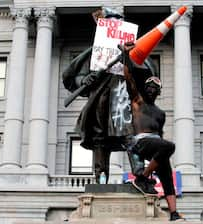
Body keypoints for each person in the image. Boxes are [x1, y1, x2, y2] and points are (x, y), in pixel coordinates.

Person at [62, 7, 157, 183]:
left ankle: (139, 172)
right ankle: (101, 175)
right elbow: (74, 77)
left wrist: (129, 57)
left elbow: (148, 76)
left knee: (130, 133)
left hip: (123, 96)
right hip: (100, 97)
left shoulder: (134, 52)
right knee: (100, 136)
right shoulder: (94, 53)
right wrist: (85, 80)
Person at [122, 43, 184, 221]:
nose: (150, 89)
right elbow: (128, 78)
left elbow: (161, 136)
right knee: (169, 146)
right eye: (148, 86)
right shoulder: (137, 100)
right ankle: (142, 177)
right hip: (140, 142)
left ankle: (173, 213)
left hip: (156, 145)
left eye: (154, 88)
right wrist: (126, 54)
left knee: (166, 174)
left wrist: (162, 156)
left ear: (158, 92)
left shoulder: (160, 113)